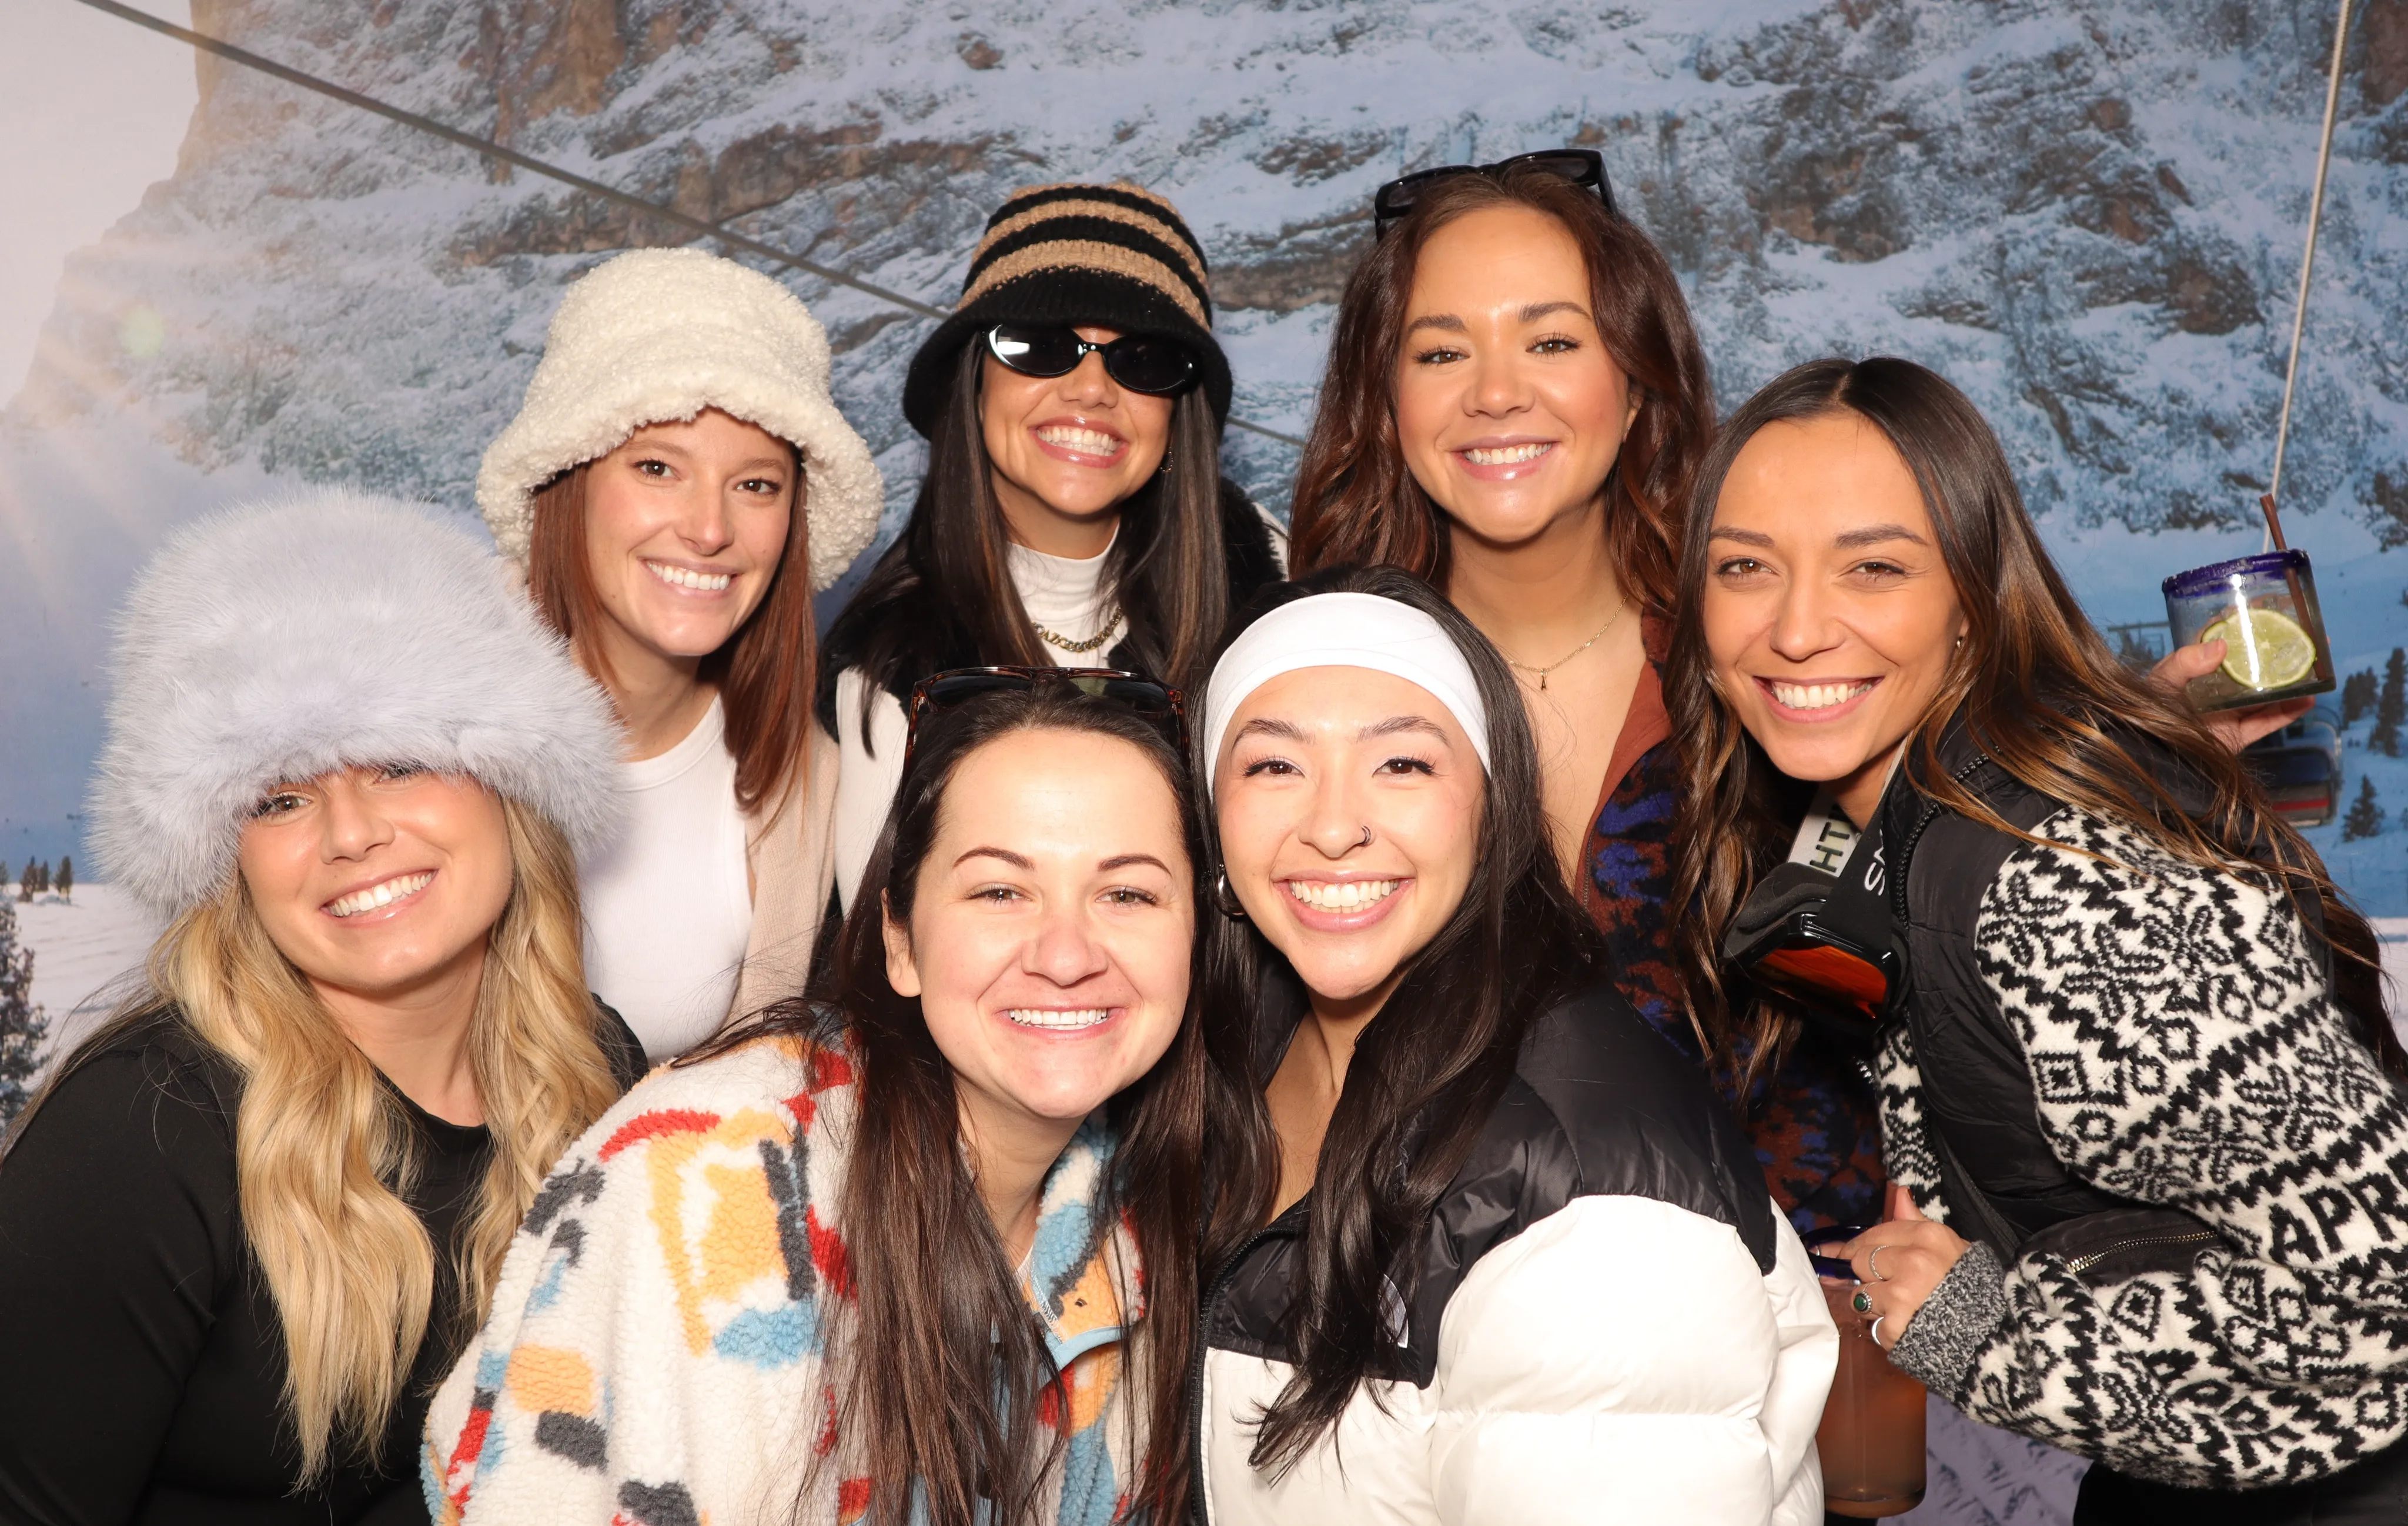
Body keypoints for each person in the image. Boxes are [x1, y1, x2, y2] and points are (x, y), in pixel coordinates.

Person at [1286, 151, 2305, 1238]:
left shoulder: (1781, 661)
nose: (1495, 392)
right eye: (1441, 351)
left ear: (1635, 381)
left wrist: (2110, 761)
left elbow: (1971, 856)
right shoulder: (1306, 693)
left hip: (1825, 1324)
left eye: (1551, 341)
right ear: (1383, 401)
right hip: (1429, 1319)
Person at [1668, 356, 2408, 1521]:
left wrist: (1984, 1323)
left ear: (1969, 597)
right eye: (1744, 568)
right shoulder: (1942, 811)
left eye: (1871, 566)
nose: (1794, 627)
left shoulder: (2049, 880)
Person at [0, 494, 644, 1526]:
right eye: (280, 798)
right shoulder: (145, 1134)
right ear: (227, 859)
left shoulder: (596, 1069)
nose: (351, 833)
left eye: (401, 761)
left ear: (509, 785)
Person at [426, 676, 1206, 1526]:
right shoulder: (709, 1178)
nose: (1066, 953)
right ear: (899, 943)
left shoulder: (1129, 1223)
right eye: (1000, 890)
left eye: (1128, 892)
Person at [1193, 566, 1833, 1525]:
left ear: (1492, 808)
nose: (1331, 825)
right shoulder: (1220, 1059)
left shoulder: (1601, 1222)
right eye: (1273, 765)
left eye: (1402, 763)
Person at [821, 180, 1286, 911]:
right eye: (1038, 347)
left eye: (1144, 360)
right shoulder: (885, 670)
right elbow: (881, 970)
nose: (1091, 388)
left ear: (1179, 414)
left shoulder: (1270, 578)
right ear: (972, 385)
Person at [478, 246, 885, 1061]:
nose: (709, 528)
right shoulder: (413, 725)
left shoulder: (808, 784)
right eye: (659, 467)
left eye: (757, 485)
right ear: (570, 480)